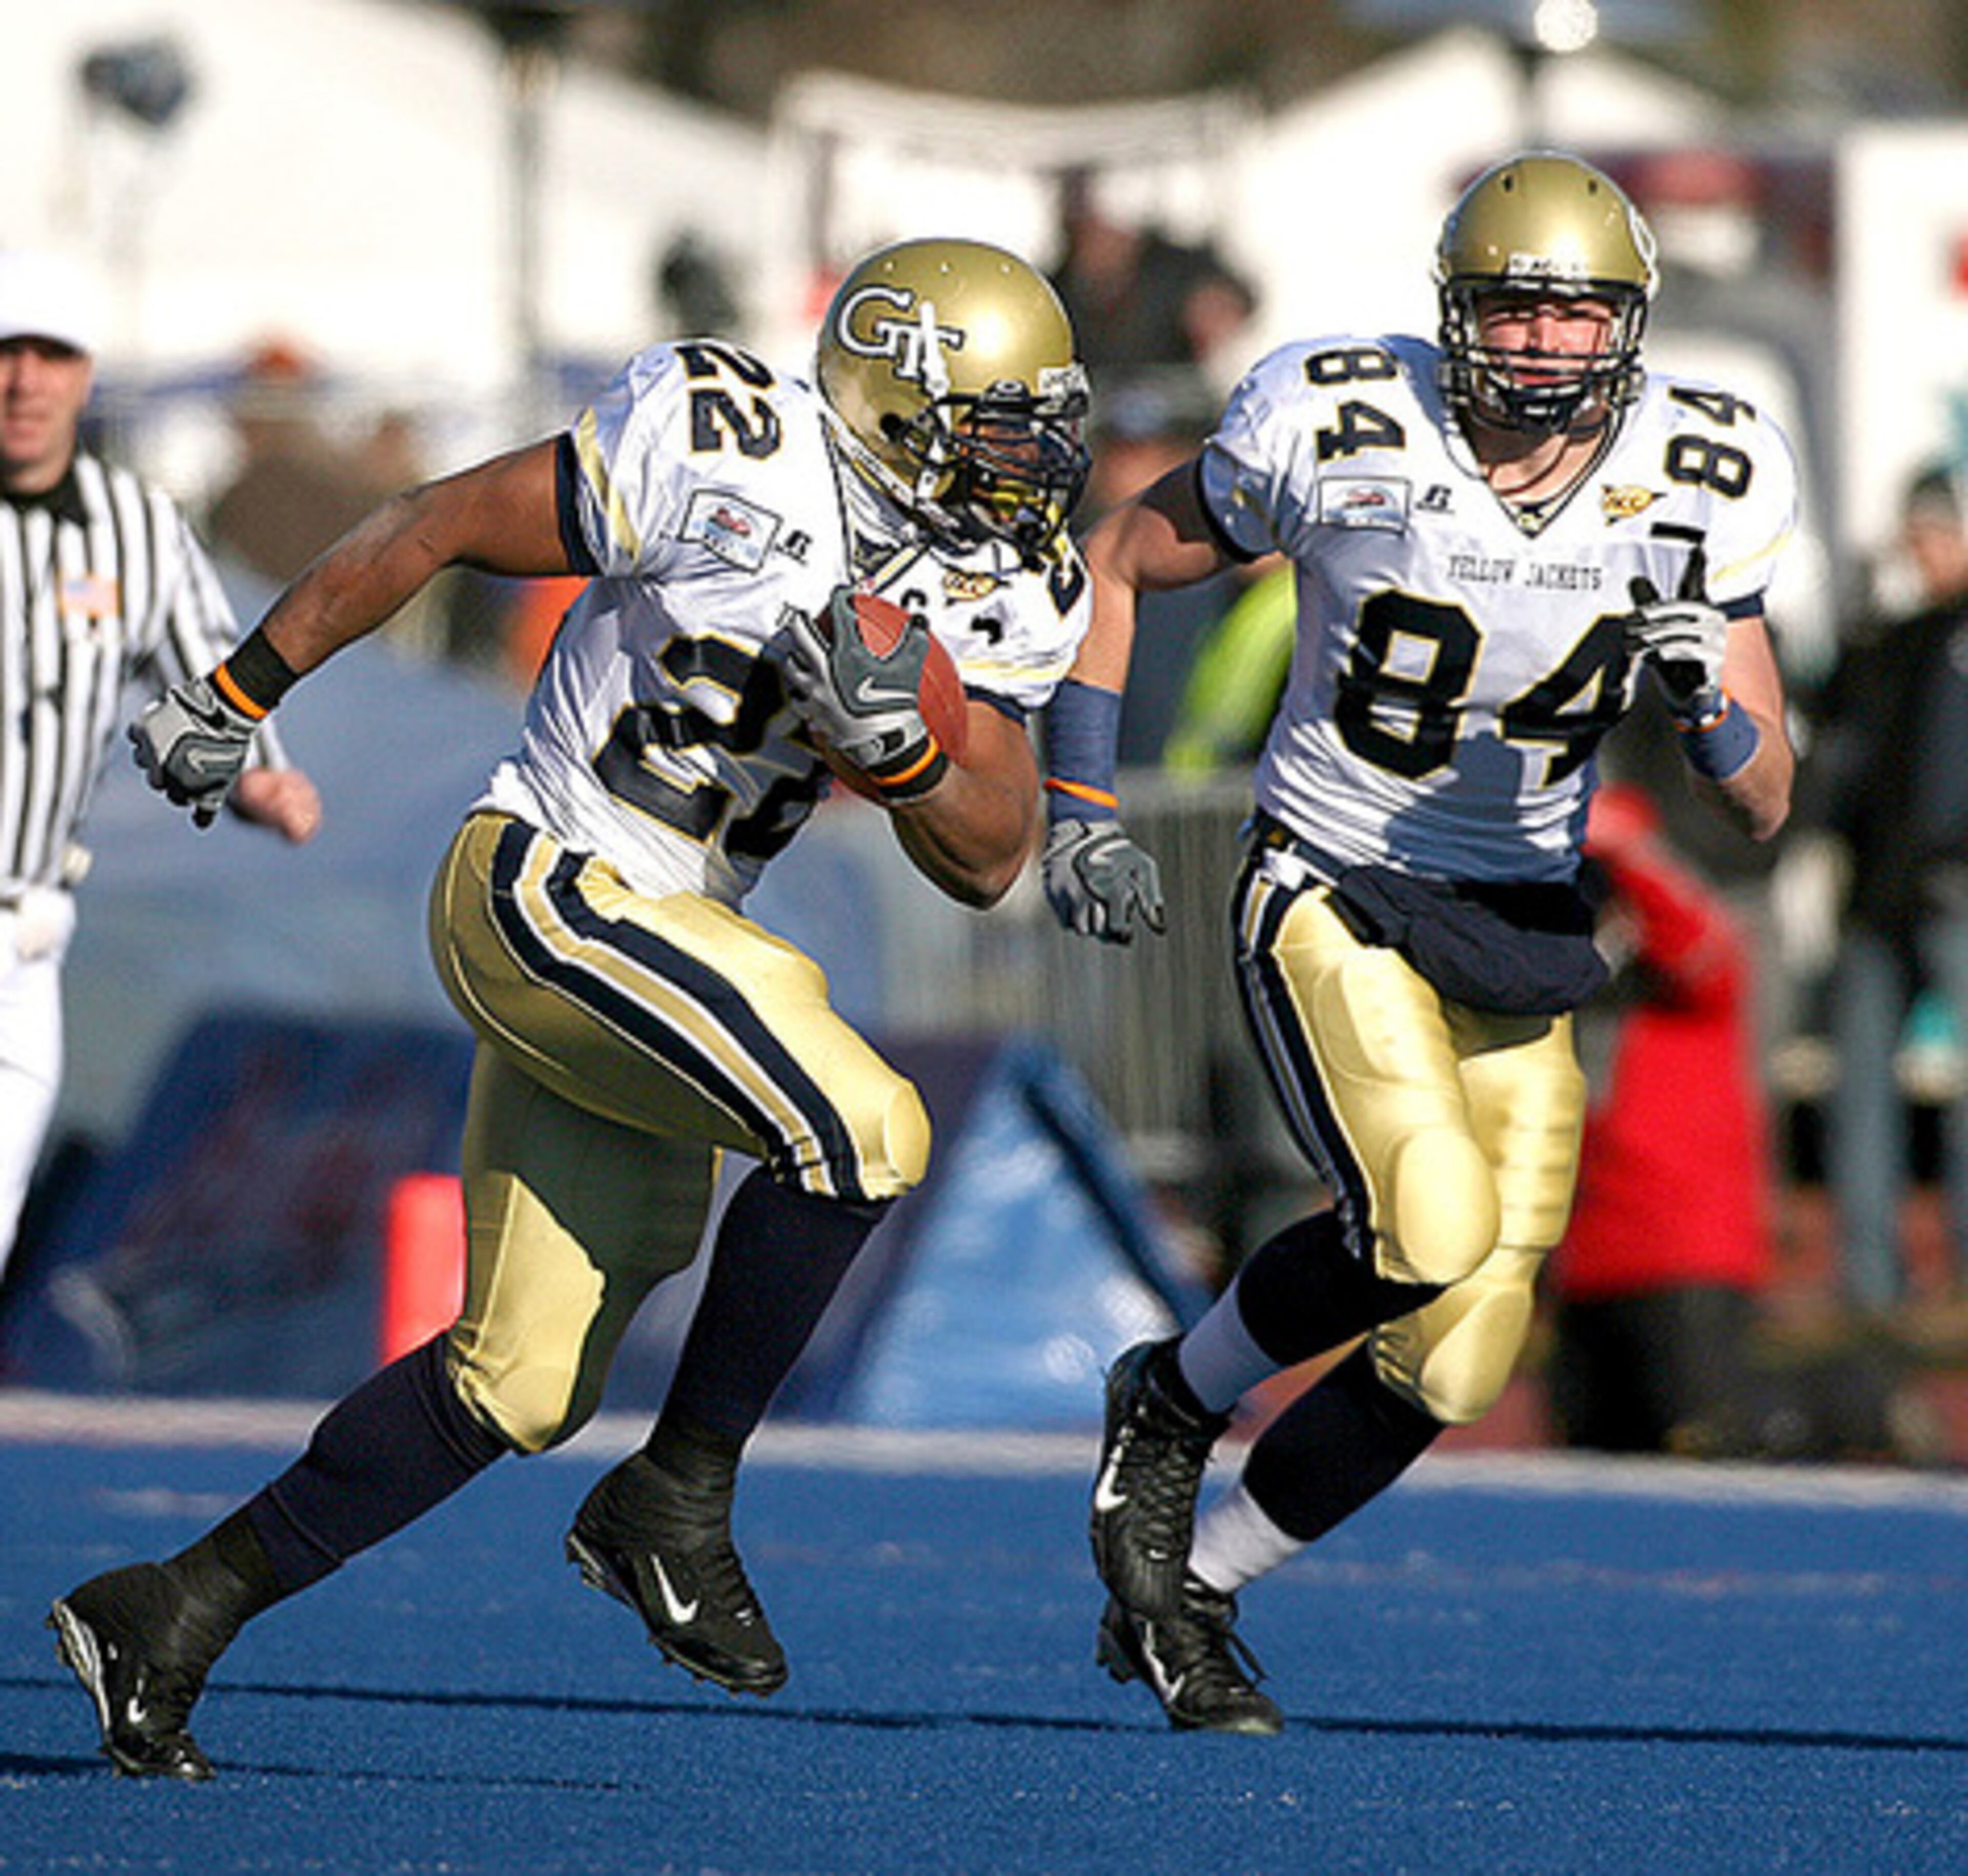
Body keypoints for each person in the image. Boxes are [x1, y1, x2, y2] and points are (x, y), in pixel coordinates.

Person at [47, 236, 1094, 1780]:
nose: (1028, 467)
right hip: (547, 878)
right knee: (867, 1126)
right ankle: (676, 1495)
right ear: (895, 394)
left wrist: (912, 748)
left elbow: (993, 852)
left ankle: (167, 1610)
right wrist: (238, 689)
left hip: (672, 937)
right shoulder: (725, 438)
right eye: (999, 424)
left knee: (517, 1379)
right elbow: (435, 523)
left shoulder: (1000, 581)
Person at [1038, 151, 1796, 1734]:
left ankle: (1202, 1584)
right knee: (1425, 1220)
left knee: (1458, 1358)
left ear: (1630, 324)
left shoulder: (1705, 471)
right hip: (1337, 874)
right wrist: (1078, 798)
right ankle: (1172, 1394)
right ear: (1456, 315)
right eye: (1511, 311)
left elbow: (1766, 798)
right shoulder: (1343, 420)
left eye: (1575, 312)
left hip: (1520, 918)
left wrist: (1705, 700)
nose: (1539, 346)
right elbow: (1118, 553)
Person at [0, 250, 319, 1309]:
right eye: (8, 353)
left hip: (27, 933)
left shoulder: (135, 529)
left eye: (51, 356)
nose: (26, 381)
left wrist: (257, 778)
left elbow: (207, 683)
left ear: (87, 376)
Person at [1545, 782, 1776, 1456]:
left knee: (1702, 1445)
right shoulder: (1564, 992)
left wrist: (1627, 851)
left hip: (1683, 1261)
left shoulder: (1685, 978)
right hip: (1587, 1263)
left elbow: (1707, 944)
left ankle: (1854, 1402)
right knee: (1589, 1466)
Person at [1802, 463, 1968, 1325]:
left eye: (1939, 530)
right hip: (1880, 888)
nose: (1923, 547)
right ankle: (1869, 1280)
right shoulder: (1896, 637)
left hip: (1950, 885)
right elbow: (1841, 741)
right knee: (1860, 1088)